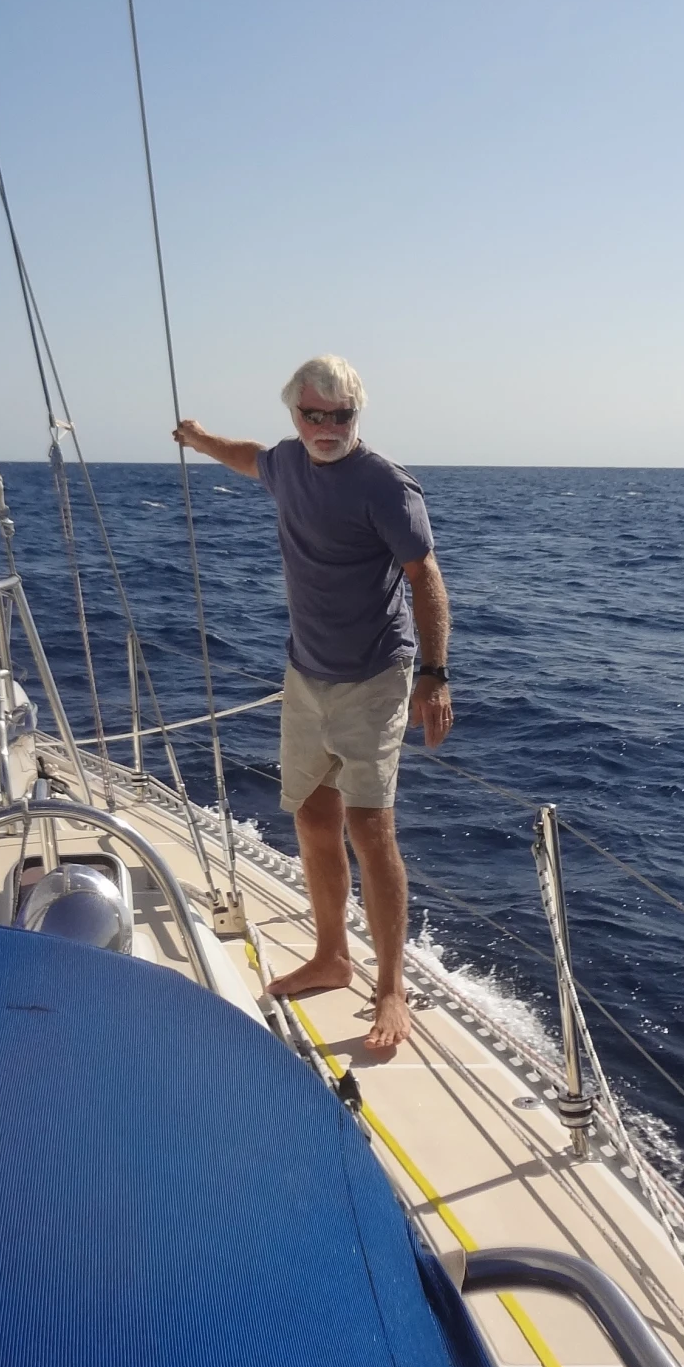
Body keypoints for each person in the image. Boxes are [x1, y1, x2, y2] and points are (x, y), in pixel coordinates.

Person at [173, 355, 452, 1054]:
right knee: (314, 816)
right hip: (305, 674)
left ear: (360, 414)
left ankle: (391, 985)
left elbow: (426, 578)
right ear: (294, 414)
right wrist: (203, 440)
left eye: (341, 416)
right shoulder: (288, 464)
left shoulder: (387, 488)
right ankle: (333, 954)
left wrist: (436, 674)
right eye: (312, 415)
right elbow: (252, 460)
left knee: (370, 826)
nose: (326, 428)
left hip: (374, 677)